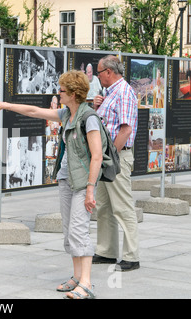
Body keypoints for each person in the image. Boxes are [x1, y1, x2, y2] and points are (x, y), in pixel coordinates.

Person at [0, 70, 104, 299]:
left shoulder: (89, 118)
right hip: (67, 178)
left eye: (62, 90)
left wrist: (90, 190)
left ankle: (86, 284)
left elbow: (96, 156)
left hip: (83, 182)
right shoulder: (67, 113)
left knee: (79, 230)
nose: (58, 93)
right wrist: (4, 105)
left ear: (74, 93)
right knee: (69, 230)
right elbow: (34, 111)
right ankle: (77, 277)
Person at [92, 55, 140, 272]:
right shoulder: (110, 94)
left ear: (109, 72)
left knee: (122, 207)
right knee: (104, 206)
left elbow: (126, 129)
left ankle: (131, 256)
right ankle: (106, 251)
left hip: (116, 157)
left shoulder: (124, 93)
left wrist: (110, 156)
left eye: (99, 73)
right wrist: (96, 106)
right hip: (105, 158)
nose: (98, 76)